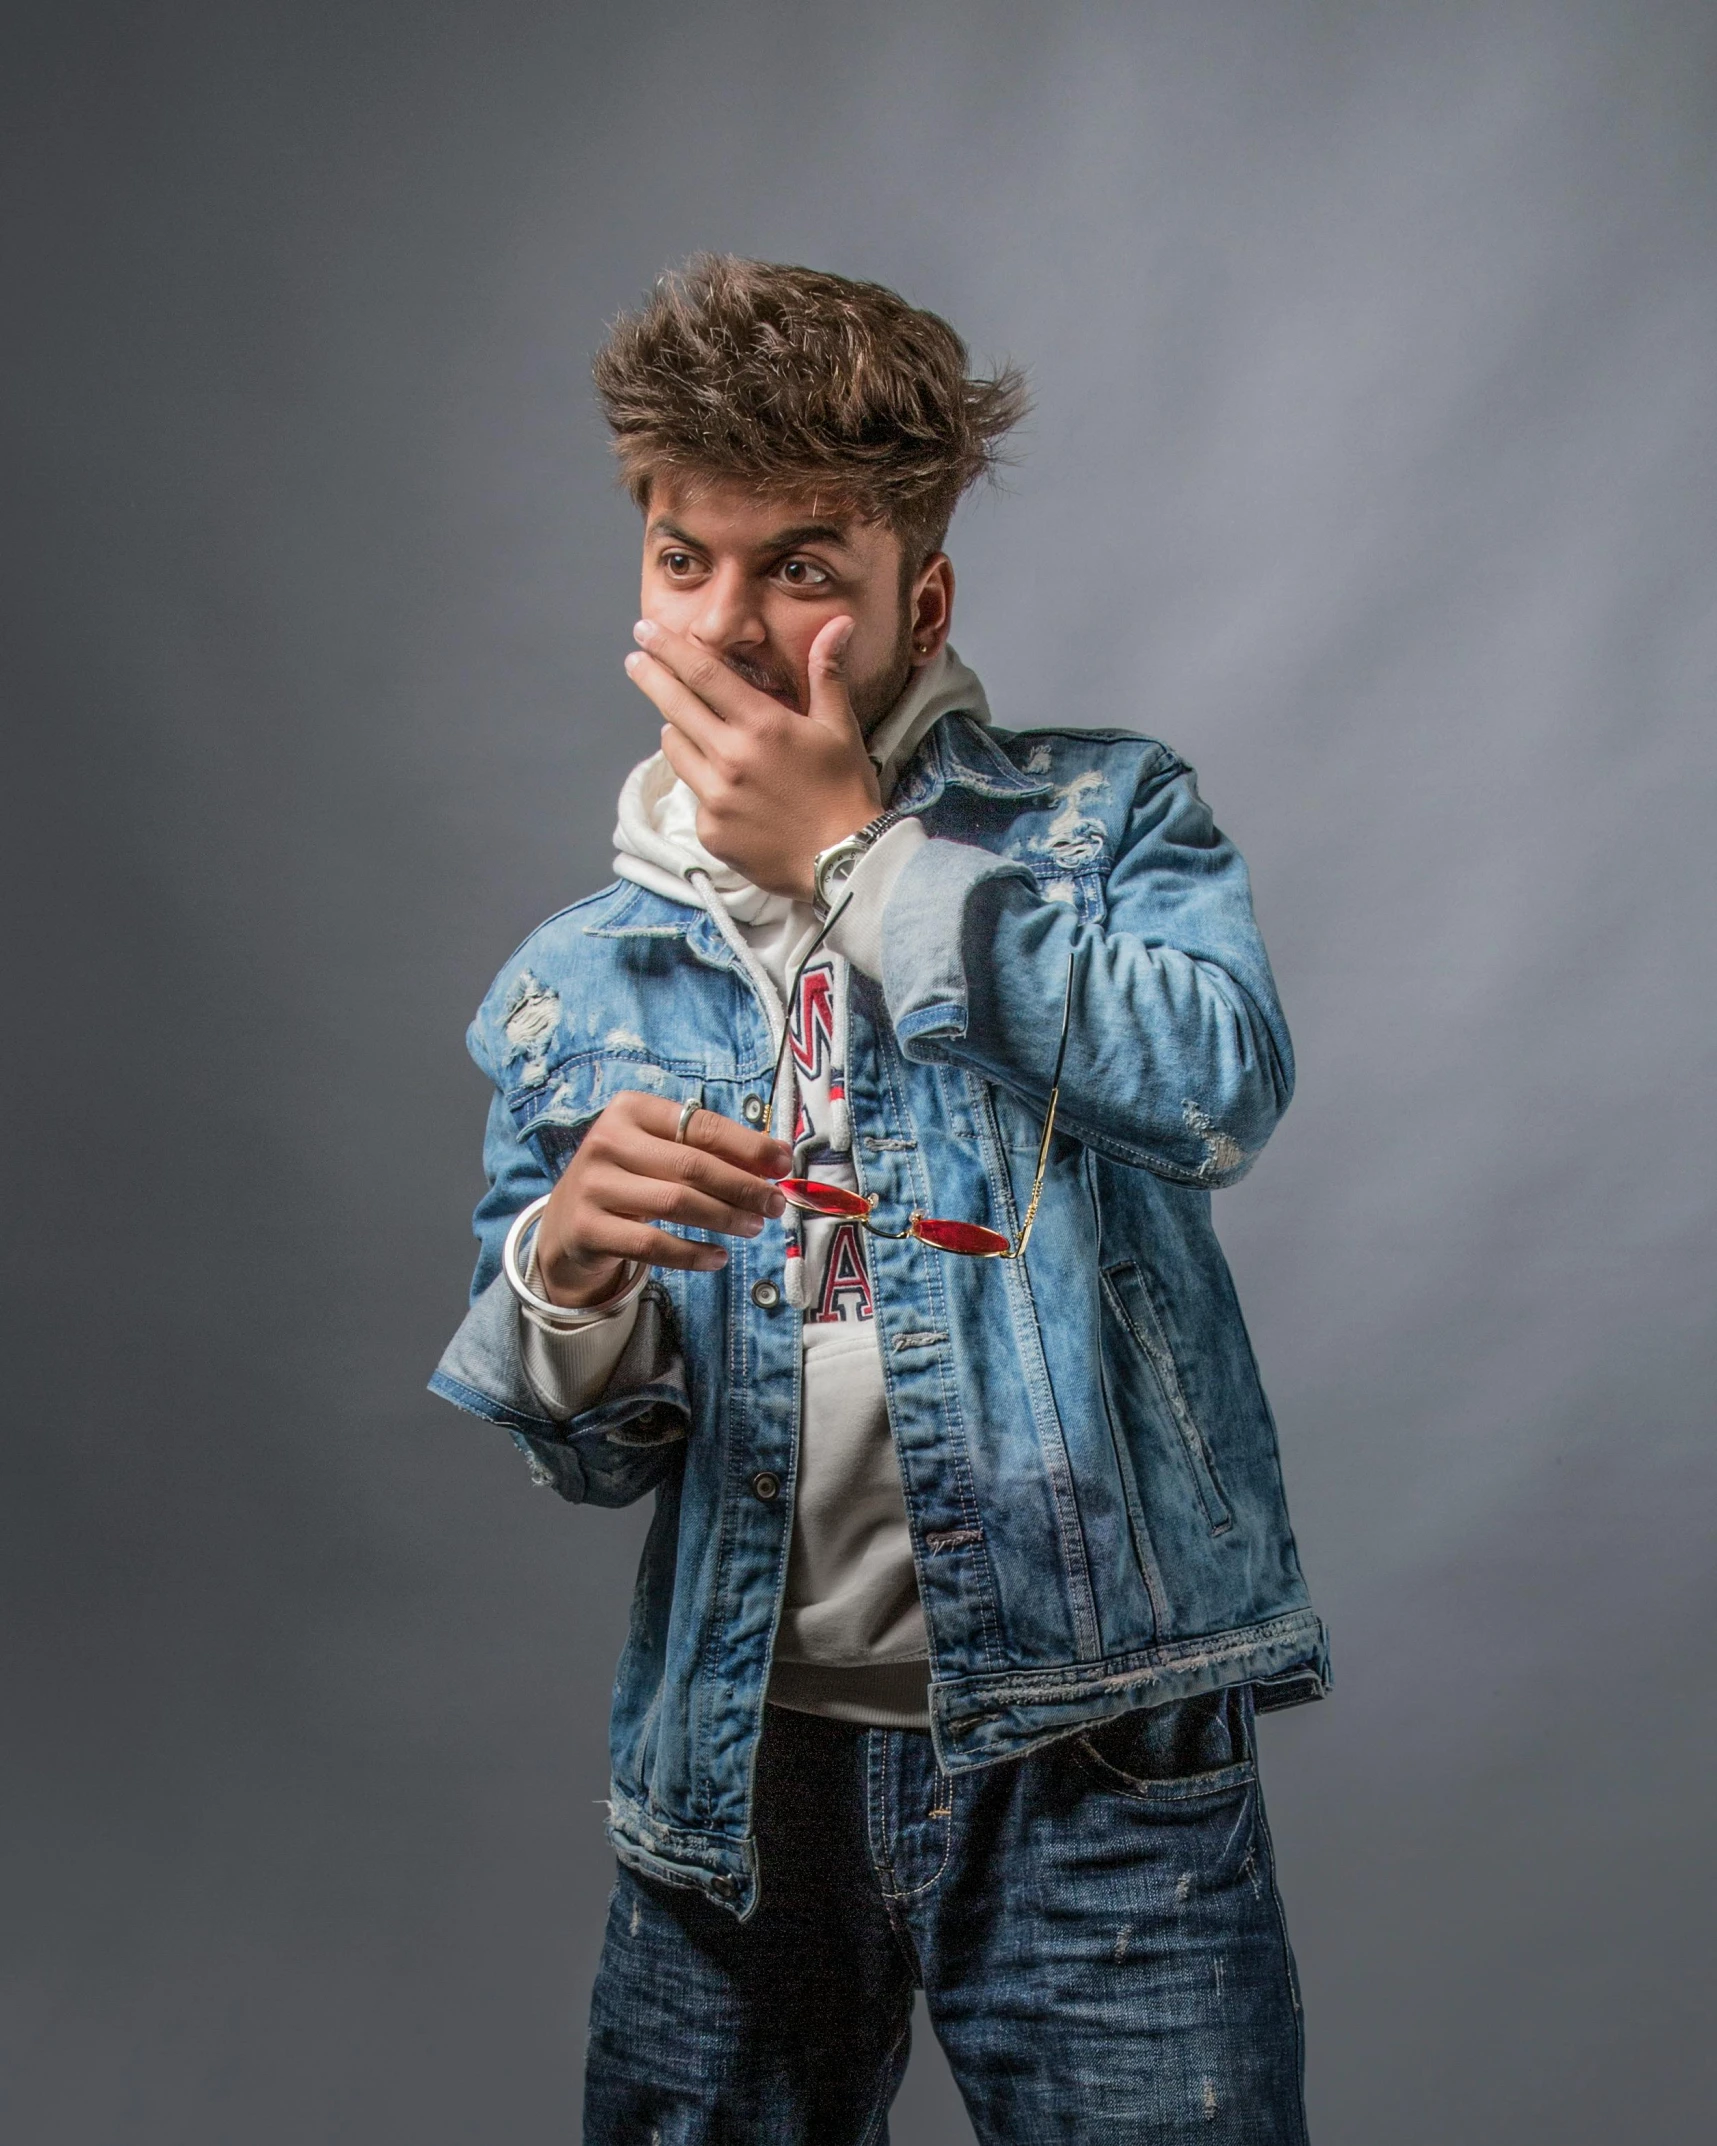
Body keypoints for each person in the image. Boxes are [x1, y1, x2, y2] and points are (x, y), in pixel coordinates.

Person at [431, 255, 1328, 2145]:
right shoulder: (580, 974)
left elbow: (1220, 1083)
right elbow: (597, 1454)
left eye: (805, 571)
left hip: (1099, 1759)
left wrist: (859, 853)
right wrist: (566, 1267)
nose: (738, 627)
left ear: (923, 598)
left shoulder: (1103, 827)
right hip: (738, 1775)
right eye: (689, 560)